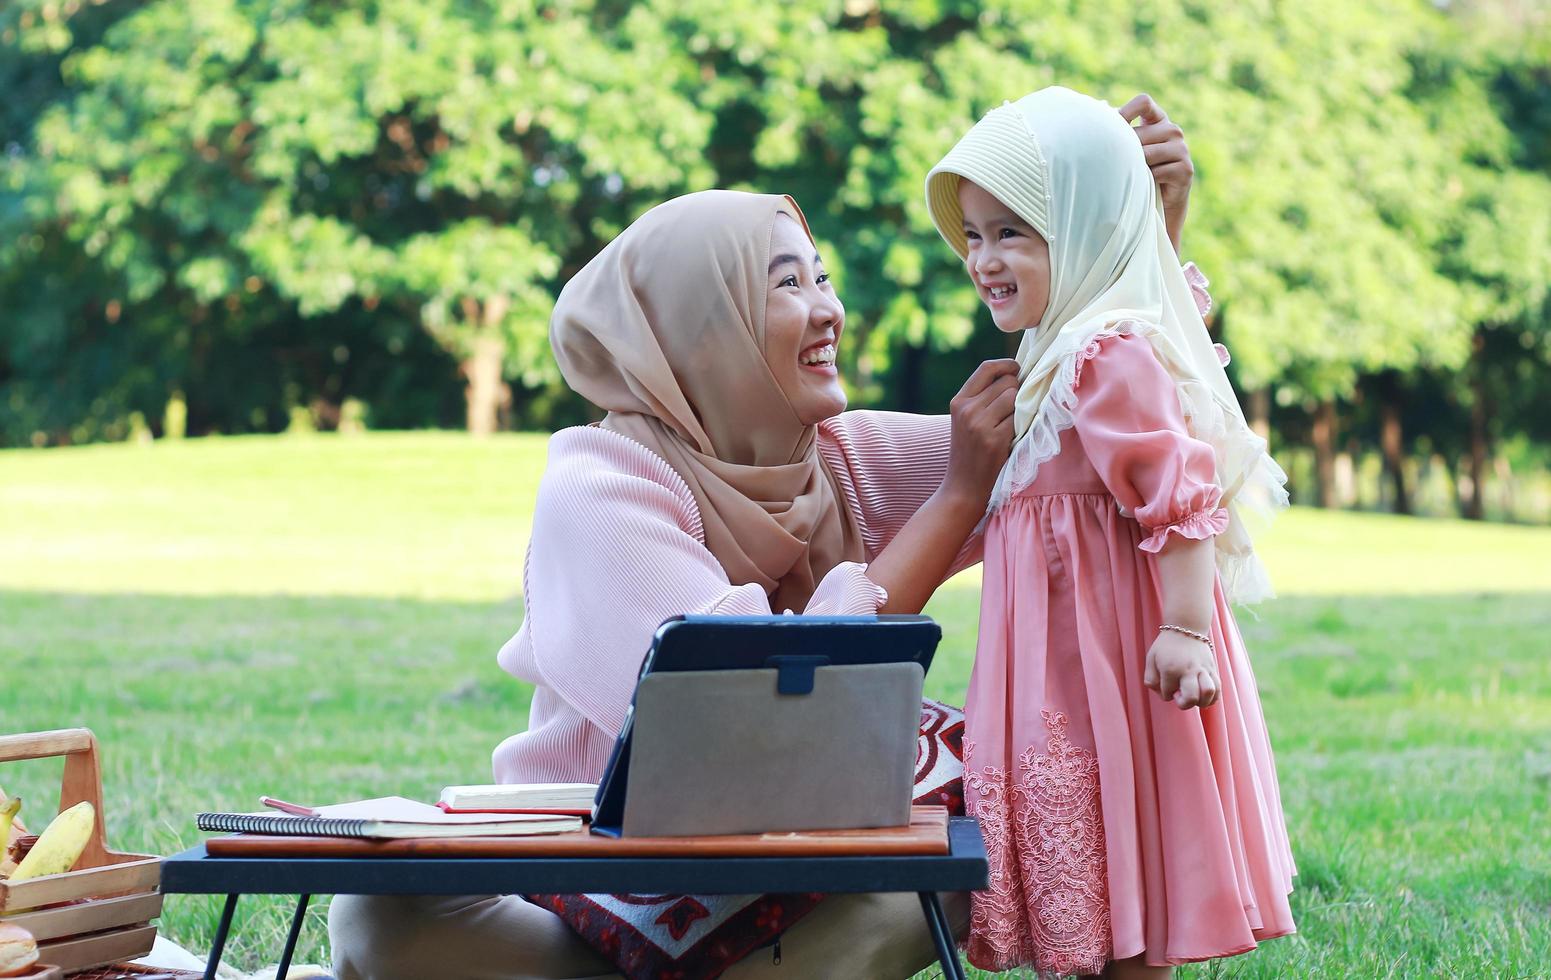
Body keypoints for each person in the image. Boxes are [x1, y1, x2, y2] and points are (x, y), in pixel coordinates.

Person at [329, 96, 1202, 979]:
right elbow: (756, 706)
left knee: (995, 794)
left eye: (822, 278)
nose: (828, 309)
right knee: (378, 916)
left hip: (785, 875)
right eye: (787, 284)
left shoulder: (836, 457)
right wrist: (953, 499)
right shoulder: (600, 485)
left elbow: (1092, 424)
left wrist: (1139, 235)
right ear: (699, 327)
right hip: (585, 881)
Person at [922, 86, 1296, 978]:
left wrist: (1182, 630)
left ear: (1086, 229)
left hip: (1111, 679)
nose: (984, 258)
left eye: (1013, 232)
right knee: (1088, 887)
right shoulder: (1056, 352)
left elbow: (1181, 491)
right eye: (973, 235)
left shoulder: (1105, 351)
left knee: (1124, 889)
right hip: (1060, 677)